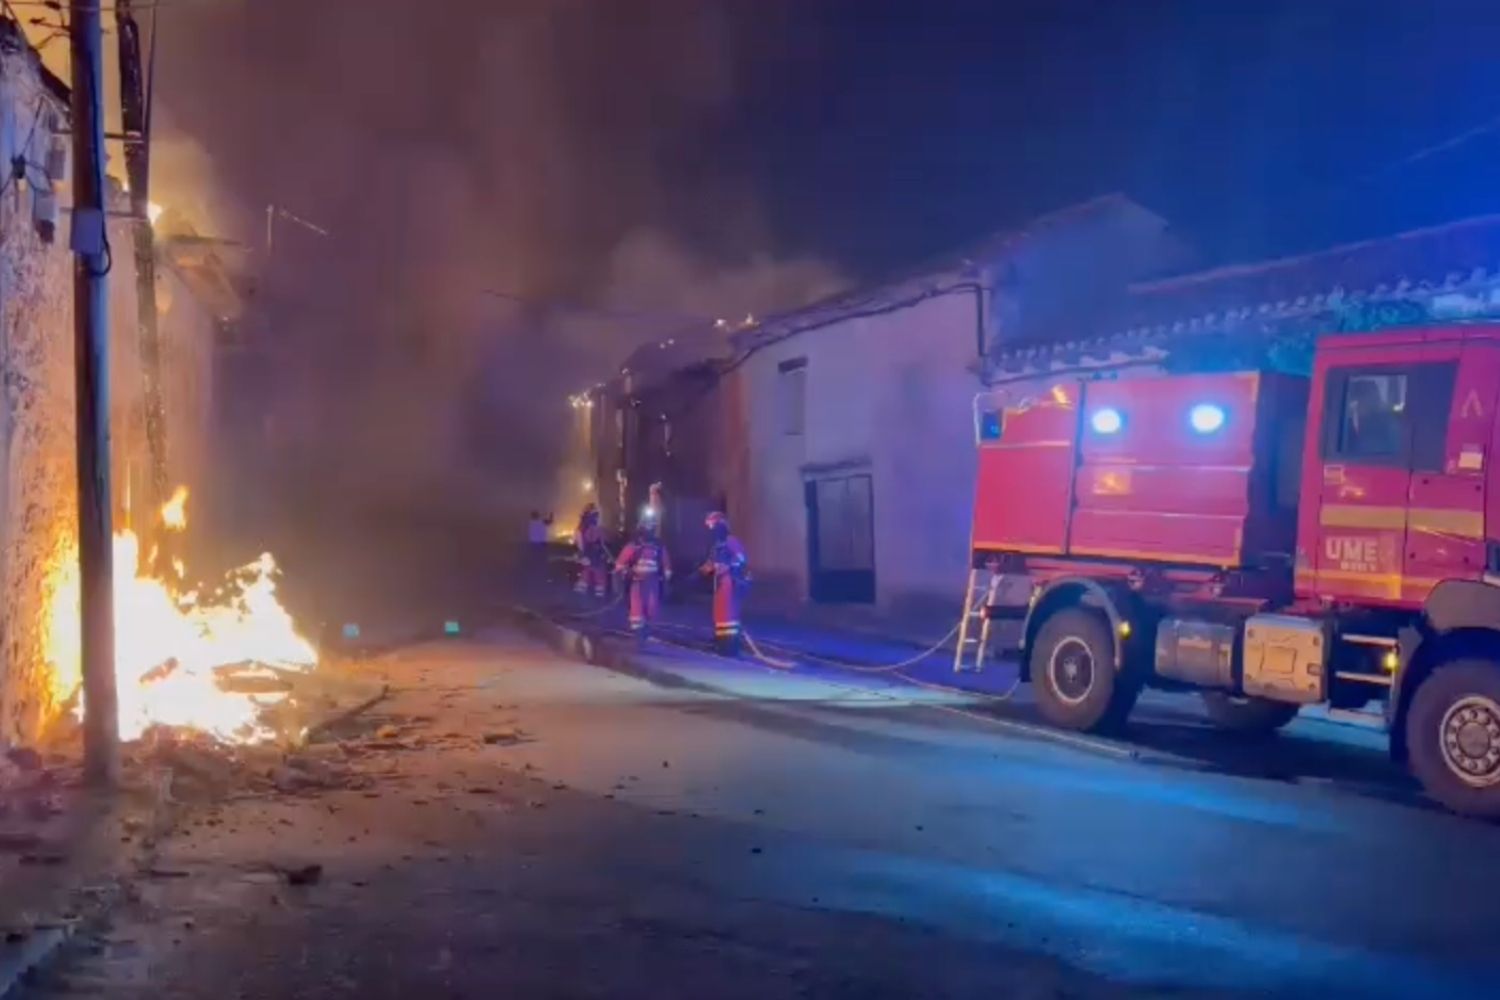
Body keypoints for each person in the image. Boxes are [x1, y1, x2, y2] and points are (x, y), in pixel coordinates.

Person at [615, 512, 671, 643]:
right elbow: (620, 564)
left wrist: (666, 578)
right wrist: (627, 573)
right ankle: (638, 635)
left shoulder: (658, 545)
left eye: (652, 525)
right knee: (637, 608)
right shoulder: (634, 545)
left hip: (653, 582)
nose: (650, 528)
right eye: (648, 525)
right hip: (637, 582)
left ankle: (647, 632)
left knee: (652, 608)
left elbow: (666, 563)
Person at [700, 511, 748, 656]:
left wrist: (727, 566)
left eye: (712, 526)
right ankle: (721, 643)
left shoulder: (731, 541)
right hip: (719, 583)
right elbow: (711, 563)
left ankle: (730, 646)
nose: (711, 531)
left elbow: (741, 559)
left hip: (730, 582)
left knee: (728, 615)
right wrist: (701, 571)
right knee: (720, 614)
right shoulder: (717, 546)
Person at [573, 504, 609, 597]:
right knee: (598, 577)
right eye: (596, 515)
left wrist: (582, 555)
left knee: (585, 576)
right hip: (596, 557)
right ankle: (598, 598)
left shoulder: (580, 529)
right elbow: (602, 542)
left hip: (587, 557)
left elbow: (578, 543)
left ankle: (579, 598)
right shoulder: (595, 529)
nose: (597, 518)